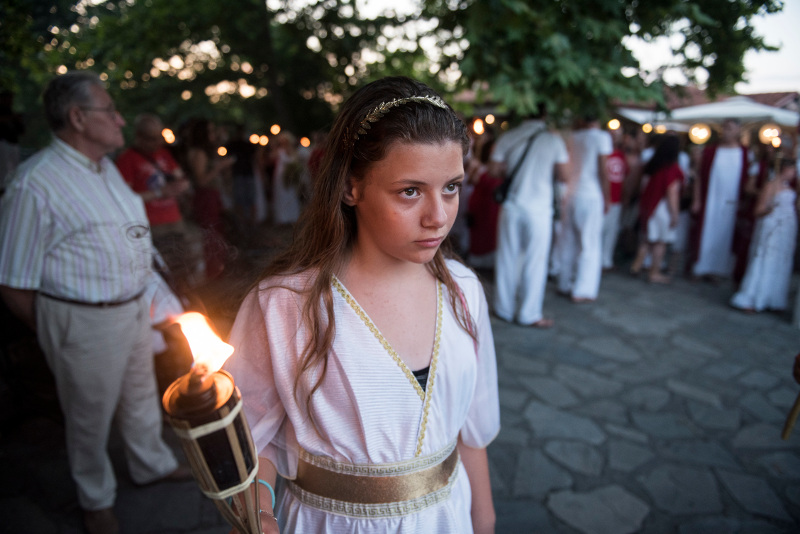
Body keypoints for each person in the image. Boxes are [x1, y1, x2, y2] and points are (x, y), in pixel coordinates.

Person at [224, 76, 500, 534]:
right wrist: (260, 512)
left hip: (446, 518)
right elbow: (254, 439)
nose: (438, 216)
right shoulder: (286, 305)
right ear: (352, 187)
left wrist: (484, 521)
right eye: (410, 191)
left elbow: (471, 430)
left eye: (451, 187)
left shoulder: (463, 290)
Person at [0, 71, 188, 534]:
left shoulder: (107, 170)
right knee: (88, 416)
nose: (120, 119)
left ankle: (151, 464)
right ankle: (95, 498)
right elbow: (12, 280)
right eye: (110, 110)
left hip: (133, 308)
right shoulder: (35, 183)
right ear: (78, 117)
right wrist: (58, 330)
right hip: (83, 319)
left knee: (141, 395)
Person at [491, 108, 569, 328]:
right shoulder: (553, 140)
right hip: (539, 209)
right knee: (535, 261)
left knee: (507, 257)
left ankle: (503, 308)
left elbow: (494, 170)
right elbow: (564, 175)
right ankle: (529, 313)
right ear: (544, 114)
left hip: (512, 206)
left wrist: (511, 169)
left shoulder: (509, 136)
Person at [115, 113, 197, 288]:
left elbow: (179, 176)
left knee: (184, 266)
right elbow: (124, 197)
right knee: (161, 272)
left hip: (174, 220)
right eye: (152, 138)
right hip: (150, 226)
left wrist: (181, 184)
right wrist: (160, 192)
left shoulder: (164, 154)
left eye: (159, 137)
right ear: (139, 136)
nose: (158, 142)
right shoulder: (127, 159)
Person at [730, 157, 797, 313]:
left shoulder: (790, 187)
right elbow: (758, 210)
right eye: (792, 170)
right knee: (765, 259)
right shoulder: (770, 186)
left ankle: (771, 298)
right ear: (785, 169)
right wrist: (770, 210)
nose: (794, 174)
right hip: (772, 228)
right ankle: (752, 297)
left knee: (780, 262)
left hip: (785, 230)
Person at [557, 115, 612, 302]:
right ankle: (583, 290)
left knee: (568, 241)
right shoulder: (602, 137)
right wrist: (607, 196)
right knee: (589, 244)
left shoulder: (574, 137)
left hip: (571, 193)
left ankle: (564, 283)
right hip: (590, 195)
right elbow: (603, 170)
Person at [689, 118, 749, 279]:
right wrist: (697, 199)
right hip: (710, 200)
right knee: (706, 232)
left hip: (731, 202)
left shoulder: (744, 153)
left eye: (730, 128)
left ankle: (718, 270)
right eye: (725, 128)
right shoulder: (710, 151)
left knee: (726, 235)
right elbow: (699, 176)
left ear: (738, 130)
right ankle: (700, 267)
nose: (726, 131)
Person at [629, 134, 683, 283]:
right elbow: (672, 193)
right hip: (662, 208)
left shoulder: (653, 165)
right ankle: (654, 272)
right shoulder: (672, 168)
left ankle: (636, 266)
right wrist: (675, 214)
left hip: (648, 206)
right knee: (660, 242)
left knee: (647, 239)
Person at [601, 127, 629, 270]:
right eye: (612, 134)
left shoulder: (622, 155)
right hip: (602, 199)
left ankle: (606, 260)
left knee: (611, 231)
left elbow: (625, 177)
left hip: (616, 199)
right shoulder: (603, 154)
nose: (614, 137)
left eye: (617, 135)